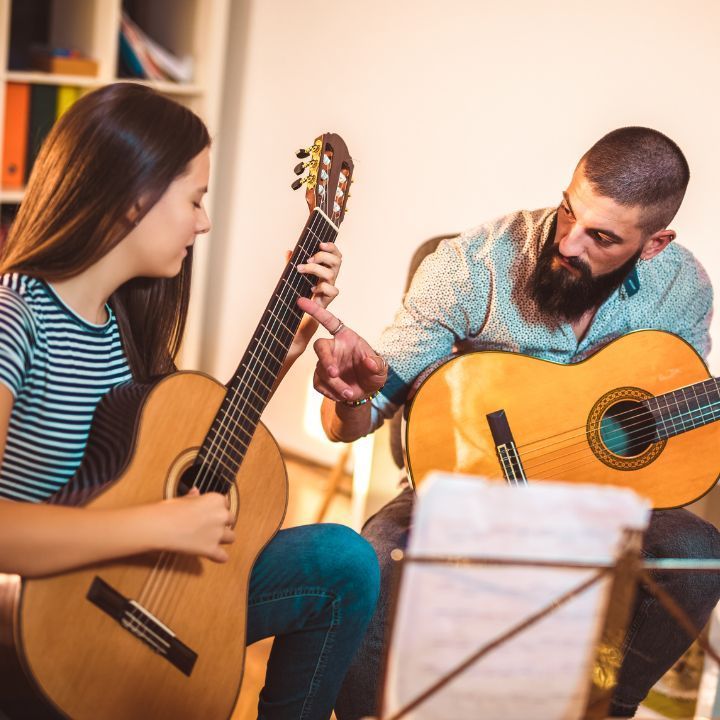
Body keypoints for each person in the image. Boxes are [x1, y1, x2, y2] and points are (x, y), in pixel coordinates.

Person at [302, 126, 720, 718]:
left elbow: (678, 401)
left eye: (601, 237)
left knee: (699, 557)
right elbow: (354, 417)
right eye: (568, 211)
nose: (570, 244)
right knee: (375, 563)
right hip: (464, 489)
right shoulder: (474, 265)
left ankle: (606, 705)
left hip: (602, 507)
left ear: (653, 244)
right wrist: (348, 398)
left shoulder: (682, 288)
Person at [0, 83, 379, 720]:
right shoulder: (15, 319)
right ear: (133, 198)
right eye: (195, 199)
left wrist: (284, 349)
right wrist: (162, 526)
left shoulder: (123, 324)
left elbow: (152, 460)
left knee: (343, 562)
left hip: (145, 574)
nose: (203, 221)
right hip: (52, 606)